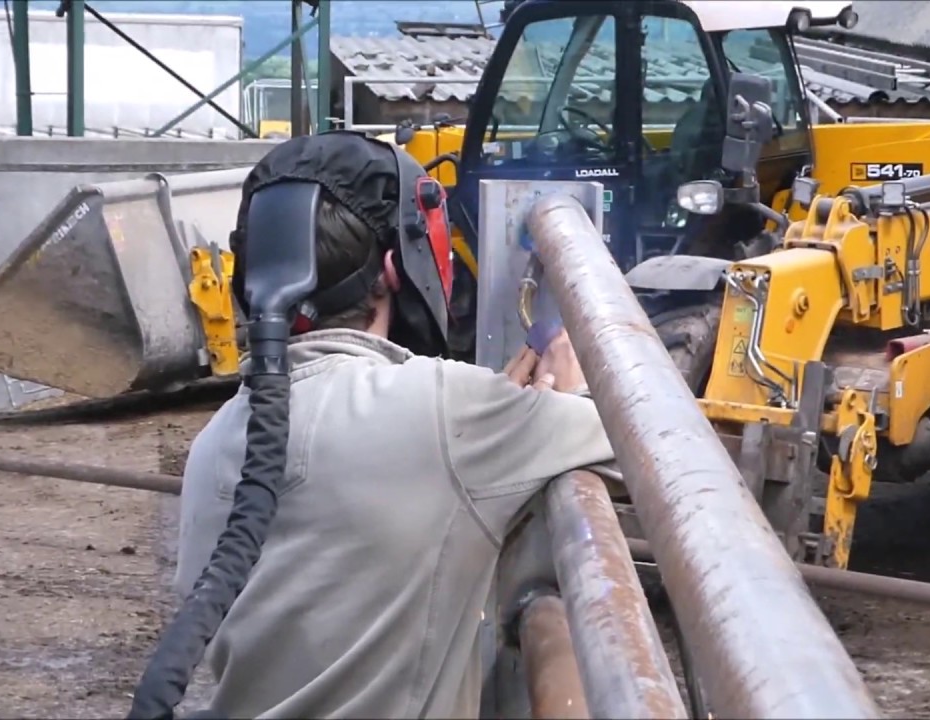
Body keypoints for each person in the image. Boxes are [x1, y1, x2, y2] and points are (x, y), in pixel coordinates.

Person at [174, 132, 619, 719]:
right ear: (394, 266)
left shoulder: (213, 442)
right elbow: (642, 449)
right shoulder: (443, 406)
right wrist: (571, 381)